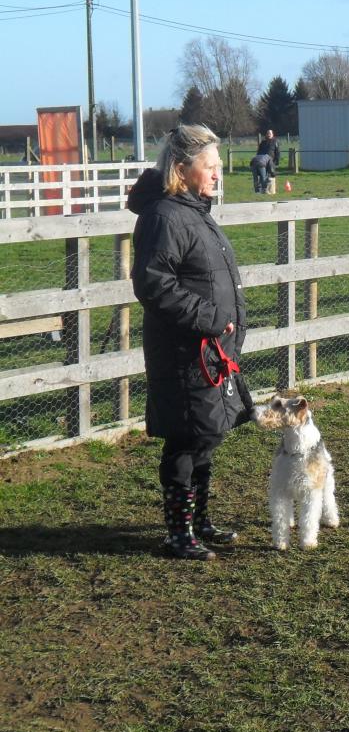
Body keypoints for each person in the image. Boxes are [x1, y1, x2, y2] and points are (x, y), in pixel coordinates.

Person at [128, 124, 251, 560]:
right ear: (181, 169)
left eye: (218, 166)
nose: (218, 174)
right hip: (184, 352)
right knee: (185, 438)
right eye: (210, 166)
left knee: (206, 433)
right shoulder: (164, 216)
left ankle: (199, 521)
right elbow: (153, 284)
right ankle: (178, 532)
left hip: (210, 350)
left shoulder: (194, 212)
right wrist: (211, 318)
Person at [257, 130, 281, 194]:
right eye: (267, 133)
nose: (268, 134)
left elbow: (277, 152)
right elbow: (259, 152)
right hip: (263, 162)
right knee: (263, 176)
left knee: (272, 175)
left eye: (270, 133)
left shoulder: (275, 142)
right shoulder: (263, 142)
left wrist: (277, 161)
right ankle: (263, 190)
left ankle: (272, 190)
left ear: (272, 134)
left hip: (271, 162)